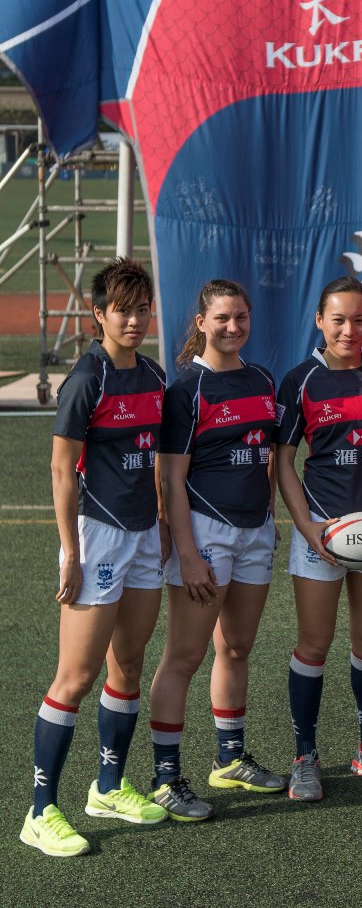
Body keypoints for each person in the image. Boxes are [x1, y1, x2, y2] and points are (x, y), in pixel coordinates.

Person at [20, 258, 168, 857]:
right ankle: (40, 811)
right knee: (76, 676)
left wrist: (161, 522)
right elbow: (62, 470)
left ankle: (107, 787)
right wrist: (71, 552)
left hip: (144, 534)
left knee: (127, 665)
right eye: (121, 310)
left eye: (142, 310)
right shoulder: (88, 378)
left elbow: (156, 459)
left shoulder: (154, 375)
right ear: (98, 314)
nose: (133, 320)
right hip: (97, 534)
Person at [149, 278, 286, 821]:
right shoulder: (187, 389)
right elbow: (169, 479)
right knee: (184, 656)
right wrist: (186, 553)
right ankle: (165, 778)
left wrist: (269, 514)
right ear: (201, 323)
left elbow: (269, 455)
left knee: (237, 648)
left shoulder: (261, 378)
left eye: (241, 317)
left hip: (256, 531)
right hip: (206, 533)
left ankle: (229, 758)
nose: (233, 327)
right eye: (222, 318)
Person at [275, 276, 362, 801]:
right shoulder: (300, 381)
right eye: (338, 320)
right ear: (319, 321)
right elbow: (283, 462)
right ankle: (304, 757)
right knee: (314, 644)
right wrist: (306, 526)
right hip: (322, 530)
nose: (348, 330)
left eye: (359, 320)